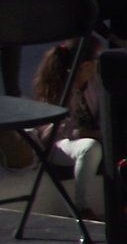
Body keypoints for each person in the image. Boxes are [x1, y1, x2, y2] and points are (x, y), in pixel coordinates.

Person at [30, 36, 104, 219]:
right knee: (89, 148)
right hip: (59, 145)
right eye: (97, 59)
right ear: (85, 65)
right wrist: (92, 134)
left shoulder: (95, 83)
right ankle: (81, 207)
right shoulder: (56, 84)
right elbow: (59, 129)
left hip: (93, 136)